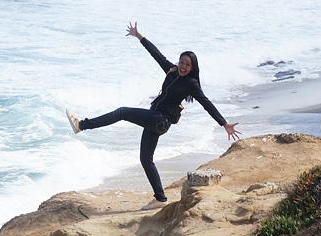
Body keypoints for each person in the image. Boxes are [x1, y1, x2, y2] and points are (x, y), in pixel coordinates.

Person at [66, 22, 241, 208]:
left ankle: (82, 125)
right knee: (145, 159)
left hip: (160, 120)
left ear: (192, 67)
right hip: (154, 117)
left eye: (187, 65)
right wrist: (139, 36)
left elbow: (207, 103)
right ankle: (160, 199)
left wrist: (224, 123)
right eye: (181, 62)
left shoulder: (191, 84)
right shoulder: (171, 71)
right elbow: (156, 54)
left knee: (122, 112)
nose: (183, 66)